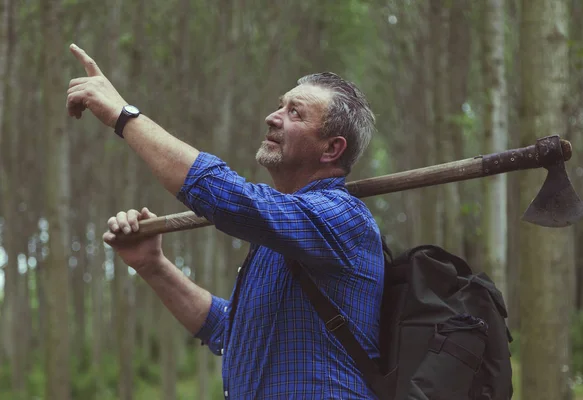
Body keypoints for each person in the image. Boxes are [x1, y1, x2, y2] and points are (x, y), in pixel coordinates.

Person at [66, 43, 385, 399]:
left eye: (295, 113)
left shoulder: (343, 216)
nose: (273, 116)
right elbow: (229, 332)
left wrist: (123, 117)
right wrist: (152, 265)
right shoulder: (282, 235)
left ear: (331, 149)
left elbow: (230, 199)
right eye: (280, 105)